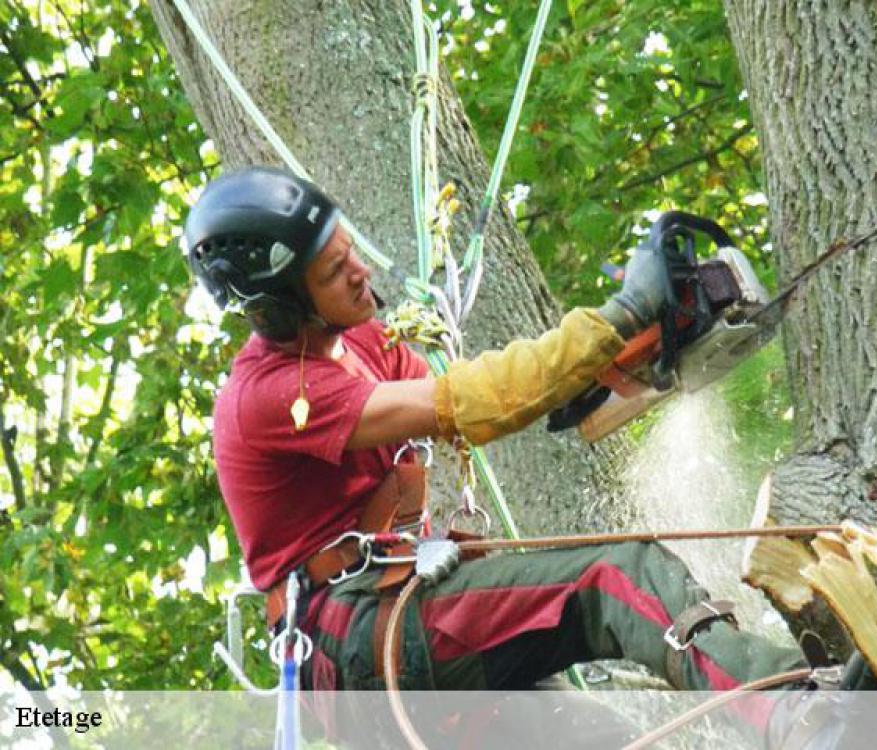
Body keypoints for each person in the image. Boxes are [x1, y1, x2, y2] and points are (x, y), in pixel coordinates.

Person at [184, 165, 815, 740]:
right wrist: (620, 316)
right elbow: (466, 403)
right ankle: (800, 713)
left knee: (599, 736)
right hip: (357, 637)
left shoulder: (363, 345)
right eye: (332, 272)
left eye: (348, 250)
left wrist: (623, 361)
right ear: (279, 307)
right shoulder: (270, 397)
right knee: (617, 578)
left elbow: (492, 387)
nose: (361, 272)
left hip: (392, 618)